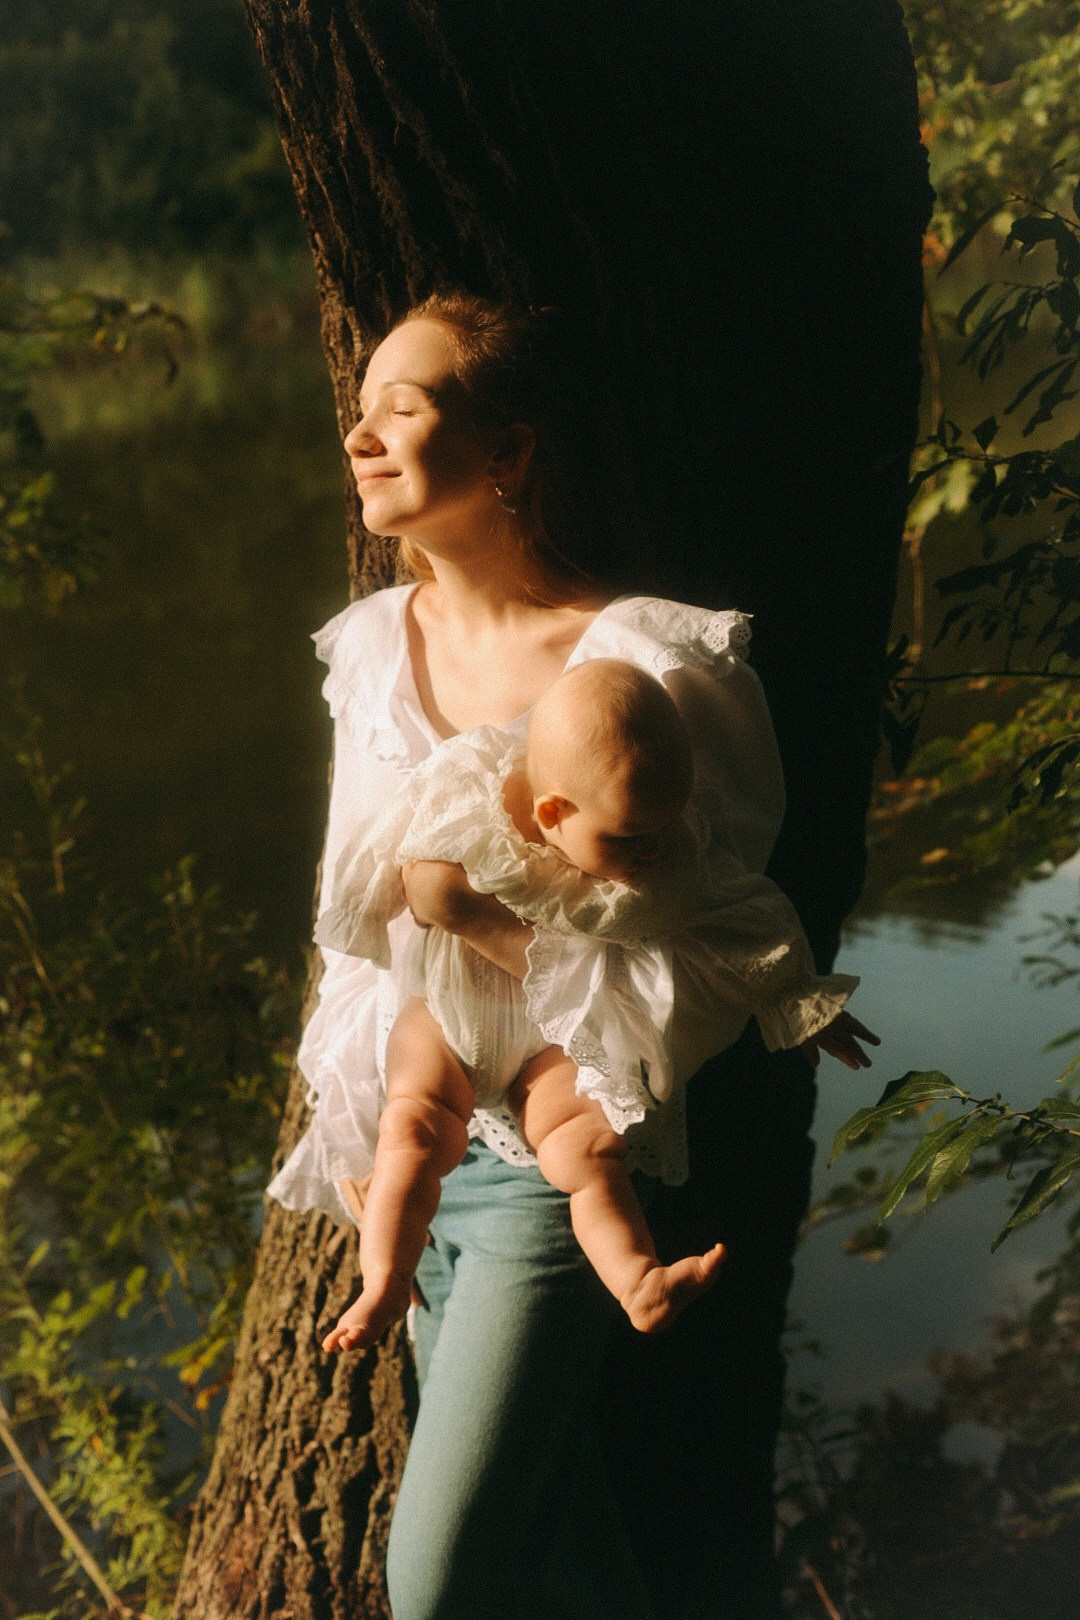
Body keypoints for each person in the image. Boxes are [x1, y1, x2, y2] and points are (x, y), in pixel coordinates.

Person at [266, 290, 877, 1619]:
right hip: (410, 1144)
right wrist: (392, 1115)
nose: (360, 437)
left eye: (403, 410)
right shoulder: (375, 648)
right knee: (562, 1538)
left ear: (508, 453)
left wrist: (487, 928)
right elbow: (354, 918)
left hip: (552, 1168)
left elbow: (691, 929)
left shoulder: (641, 667)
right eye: (358, 410)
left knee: (437, 1584)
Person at [314, 657, 868, 1349]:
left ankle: (638, 1279)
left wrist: (799, 998)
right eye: (630, 837)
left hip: (555, 1042)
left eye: (666, 826)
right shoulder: (471, 792)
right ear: (553, 811)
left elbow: (742, 917)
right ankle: (385, 1281)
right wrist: (369, 909)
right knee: (412, 1132)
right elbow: (386, 842)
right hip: (452, 1016)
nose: (653, 851)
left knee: (589, 1151)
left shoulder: (666, 849)